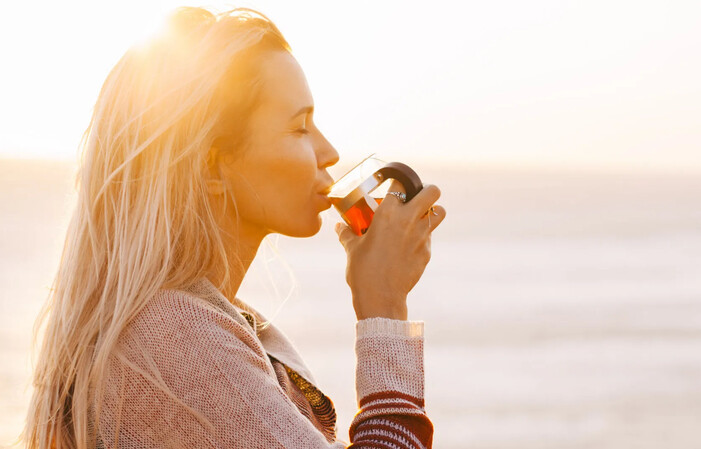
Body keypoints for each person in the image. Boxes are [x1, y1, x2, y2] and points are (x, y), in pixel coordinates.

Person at [22, 7, 446, 449]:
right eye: (300, 128)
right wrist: (383, 307)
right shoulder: (176, 339)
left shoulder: (201, 322)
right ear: (210, 166)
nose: (330, 152)